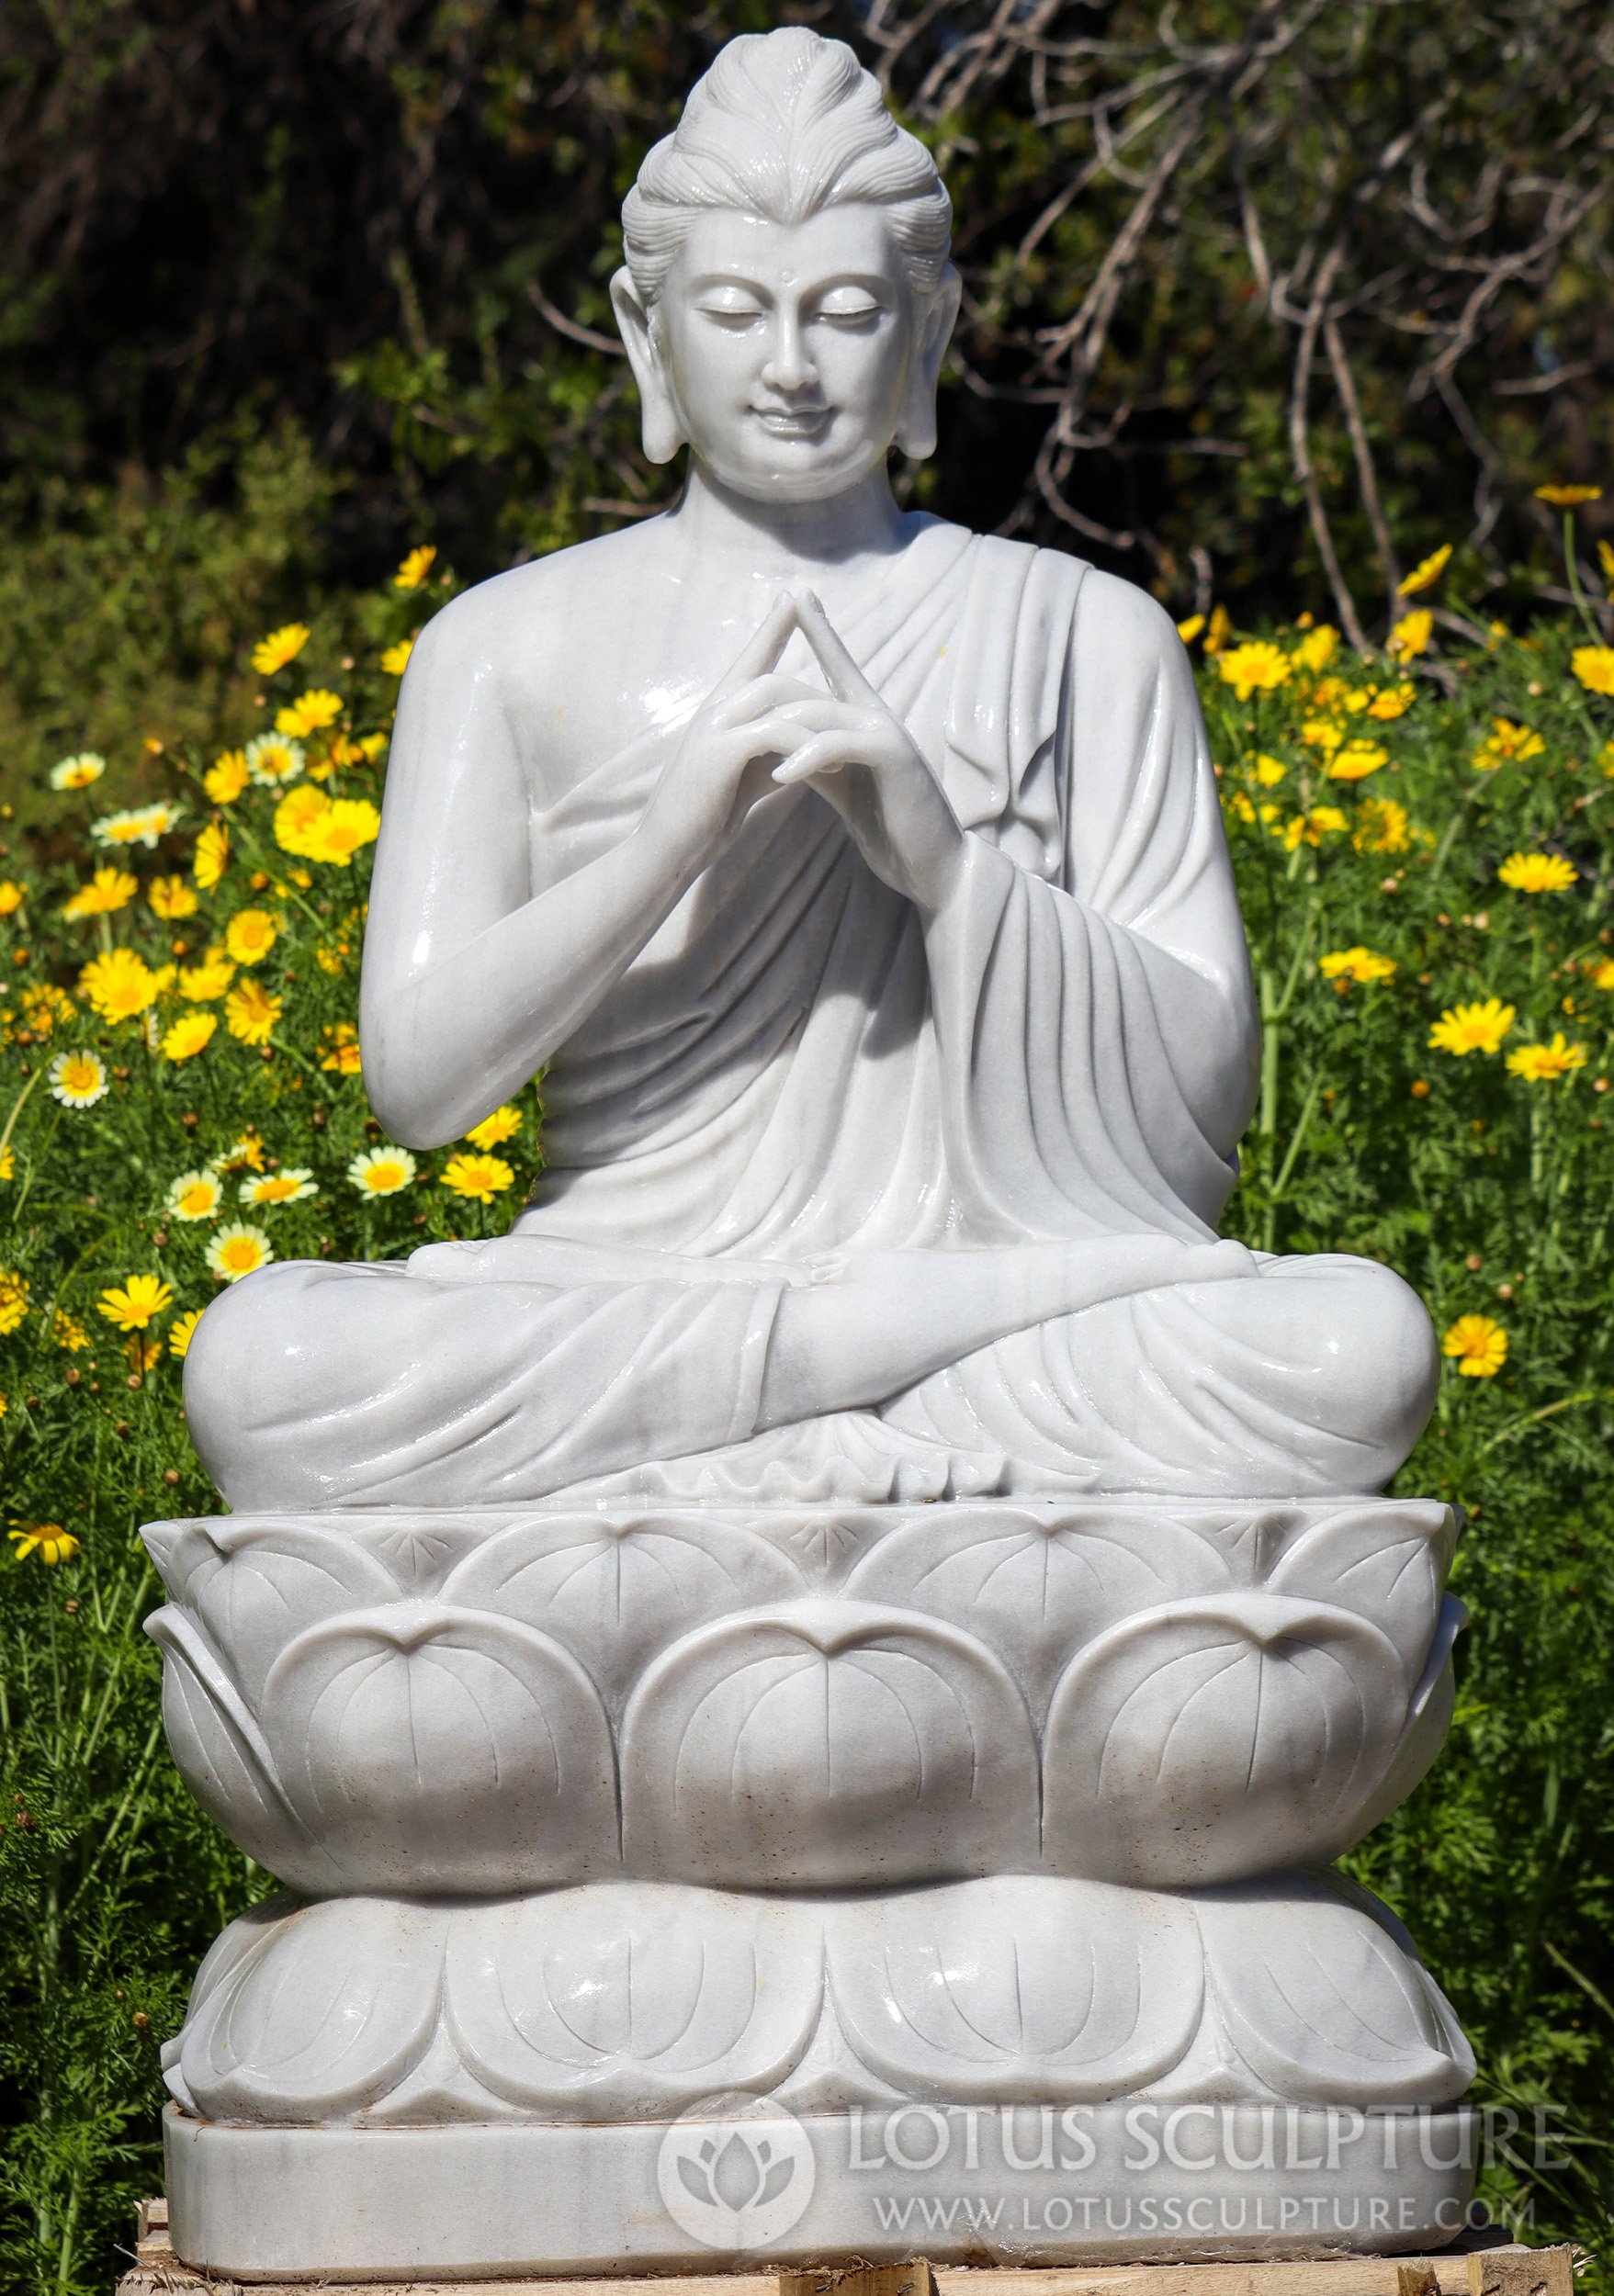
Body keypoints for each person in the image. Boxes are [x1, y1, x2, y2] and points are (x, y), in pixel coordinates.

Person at [184, 28, 1437, 1513]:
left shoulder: (1081, 633)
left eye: (844, 313)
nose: (788, 366)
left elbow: (1200, 1094)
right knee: (267, 1366)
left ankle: (784, 1404)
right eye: (733, 311)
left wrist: (948, 870)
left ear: (925, 332)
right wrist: (664, 843)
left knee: (1354, 1346)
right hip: (618, 1294)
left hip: (991, 1296)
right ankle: (840, 1388)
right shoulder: (503, 643)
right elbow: (421, 1087)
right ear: (648, 340)